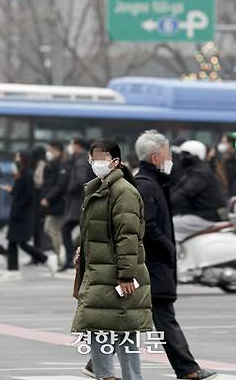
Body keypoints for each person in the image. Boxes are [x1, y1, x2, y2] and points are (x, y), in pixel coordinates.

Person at [133, 130, 217, 380]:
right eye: (168, 154)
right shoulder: (146, 185)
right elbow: (147, 226)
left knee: (127, 320)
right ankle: (188, 369)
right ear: (156, 156)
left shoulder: (154, 182)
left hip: (153, 264)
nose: (171, 159)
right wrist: (169, 248)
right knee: (163, 318)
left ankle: (97, 364)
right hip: (152, 264)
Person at [72, 138, 152, 380]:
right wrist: (82, 250)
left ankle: (114, 376)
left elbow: (128, 237)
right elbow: (97, 232)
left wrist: (126, 275)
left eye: (101, 159)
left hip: (115, 274)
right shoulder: (98, 188)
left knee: (118, 331)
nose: (95, 163)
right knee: (106, 329)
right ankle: (108, 375)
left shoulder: (124, 192)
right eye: (92, 158)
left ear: (116, 162)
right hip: (99, 271)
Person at [0, 150, 57, 280]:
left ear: (23, 160)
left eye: (17, 158)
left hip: (22, 216)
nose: (15, 160)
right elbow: (20, 193)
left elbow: (29, 196)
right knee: (12, 243)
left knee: (22, 243)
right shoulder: (21, 174)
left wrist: (18, 206)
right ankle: (12, 270)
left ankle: (46, 259)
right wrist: (12, 191)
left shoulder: (27, 175)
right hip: (17, 214)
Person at [59, 136, 94, 271]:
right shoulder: (83, 158)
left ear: (77, 146)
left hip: (79, 202)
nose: (71, 147)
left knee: (69, 229)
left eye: (72, 144)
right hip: (81, 201)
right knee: (78, 230)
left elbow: (80, 179)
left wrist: (69, 190)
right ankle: (73, 258)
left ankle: (71, 259)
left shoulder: (80, 160)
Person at [171, 140, 226, 222]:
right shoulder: (193, 171)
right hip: (198, 214)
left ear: (195, 157)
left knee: (171, 226)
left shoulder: (200, 173)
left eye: (186, 155)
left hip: (205, 217)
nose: (181, 158)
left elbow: (184, 193)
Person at [41, 141, 67, 265]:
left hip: (58, 203)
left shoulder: (61, 164)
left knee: (53, 230)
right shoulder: (54, 164)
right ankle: (60, 254)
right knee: (50, 229)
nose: (48, 153)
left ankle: (61, 255)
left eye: (50, 150)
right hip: (54, 203)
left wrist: (48, 198)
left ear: (56, 150)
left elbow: (60, 185)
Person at [29, 145, 48, 256]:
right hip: (37, 198)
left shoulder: (42, 165)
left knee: (38, 227)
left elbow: (39, 182)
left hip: (39, 198)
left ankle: (38, 253)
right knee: (36, 227)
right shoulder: (38, 164)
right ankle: (36, 254)